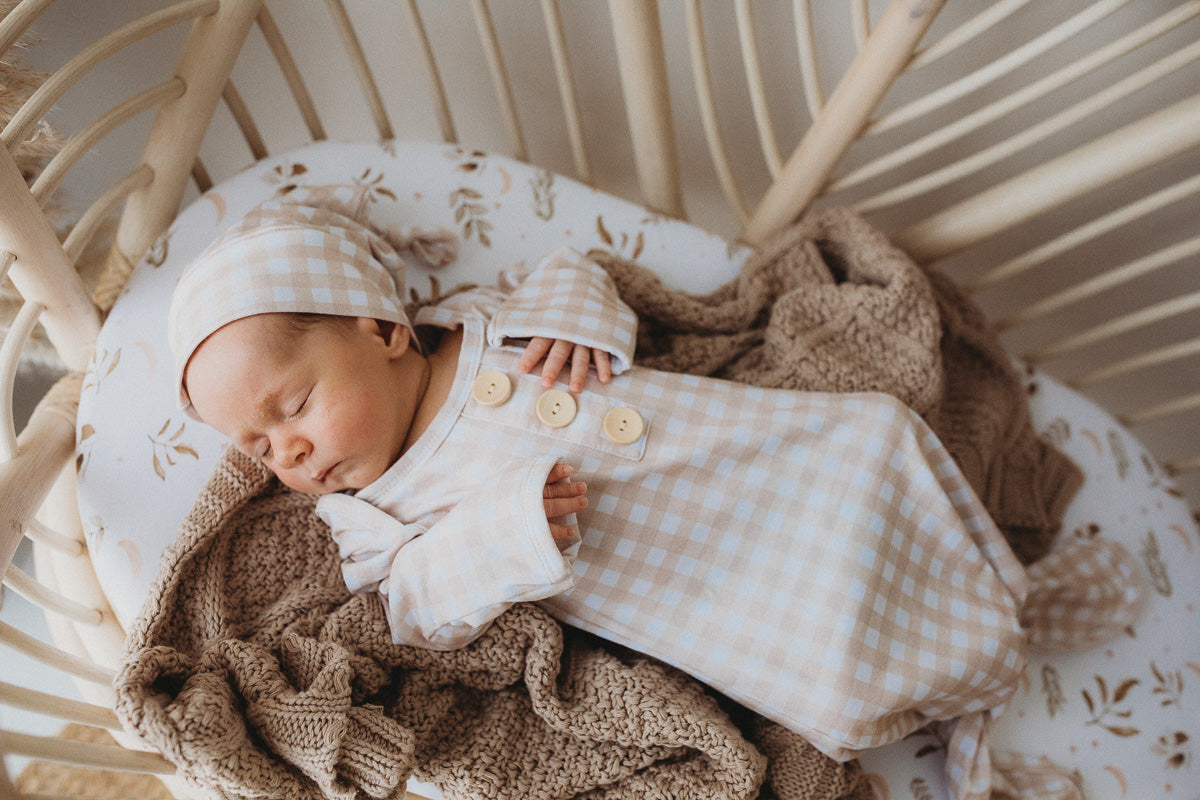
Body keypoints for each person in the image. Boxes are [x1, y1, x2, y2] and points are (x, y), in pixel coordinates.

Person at [170, 185, 1031, 765]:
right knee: (828, 670)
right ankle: (967, 674)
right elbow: (411, 609)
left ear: (382, 331)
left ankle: (998, 590)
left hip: (737, 457)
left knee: (873, 441)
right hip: (689, 573)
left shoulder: (482, 328)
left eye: (291, 408)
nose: (287, 454)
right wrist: (501, 535)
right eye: (258, 448)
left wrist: (579, 326)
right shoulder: (375, 513)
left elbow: (574, 274)